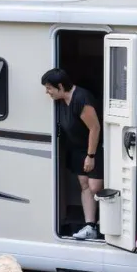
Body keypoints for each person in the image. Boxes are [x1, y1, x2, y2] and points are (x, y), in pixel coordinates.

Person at [42, 68, 104, 240]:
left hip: (93, 148)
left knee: (95, 187)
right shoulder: (62, 101)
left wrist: (90, 156)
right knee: (84, 185)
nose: (47, 92)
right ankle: (90, 226)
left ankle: (105, 223)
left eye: (49, 88)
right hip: (77, 148)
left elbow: (95, 128)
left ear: (60, 86)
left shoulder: (81, 98)